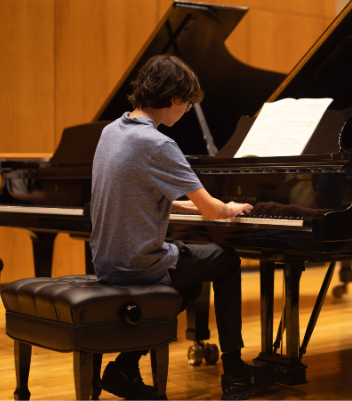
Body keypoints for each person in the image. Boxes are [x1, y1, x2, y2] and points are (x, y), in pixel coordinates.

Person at [90, 54, 275, 400]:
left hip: (105, 262)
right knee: (227, 260)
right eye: (188, 105)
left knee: (188, 286)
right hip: (139, 265)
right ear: (174, 100)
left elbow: (135, 191)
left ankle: (125, 369)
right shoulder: (159, 144)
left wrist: (181, 204)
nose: (186, 111)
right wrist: (229, 207)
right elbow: (212, 211)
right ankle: (234, 373)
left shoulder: (111, 131)